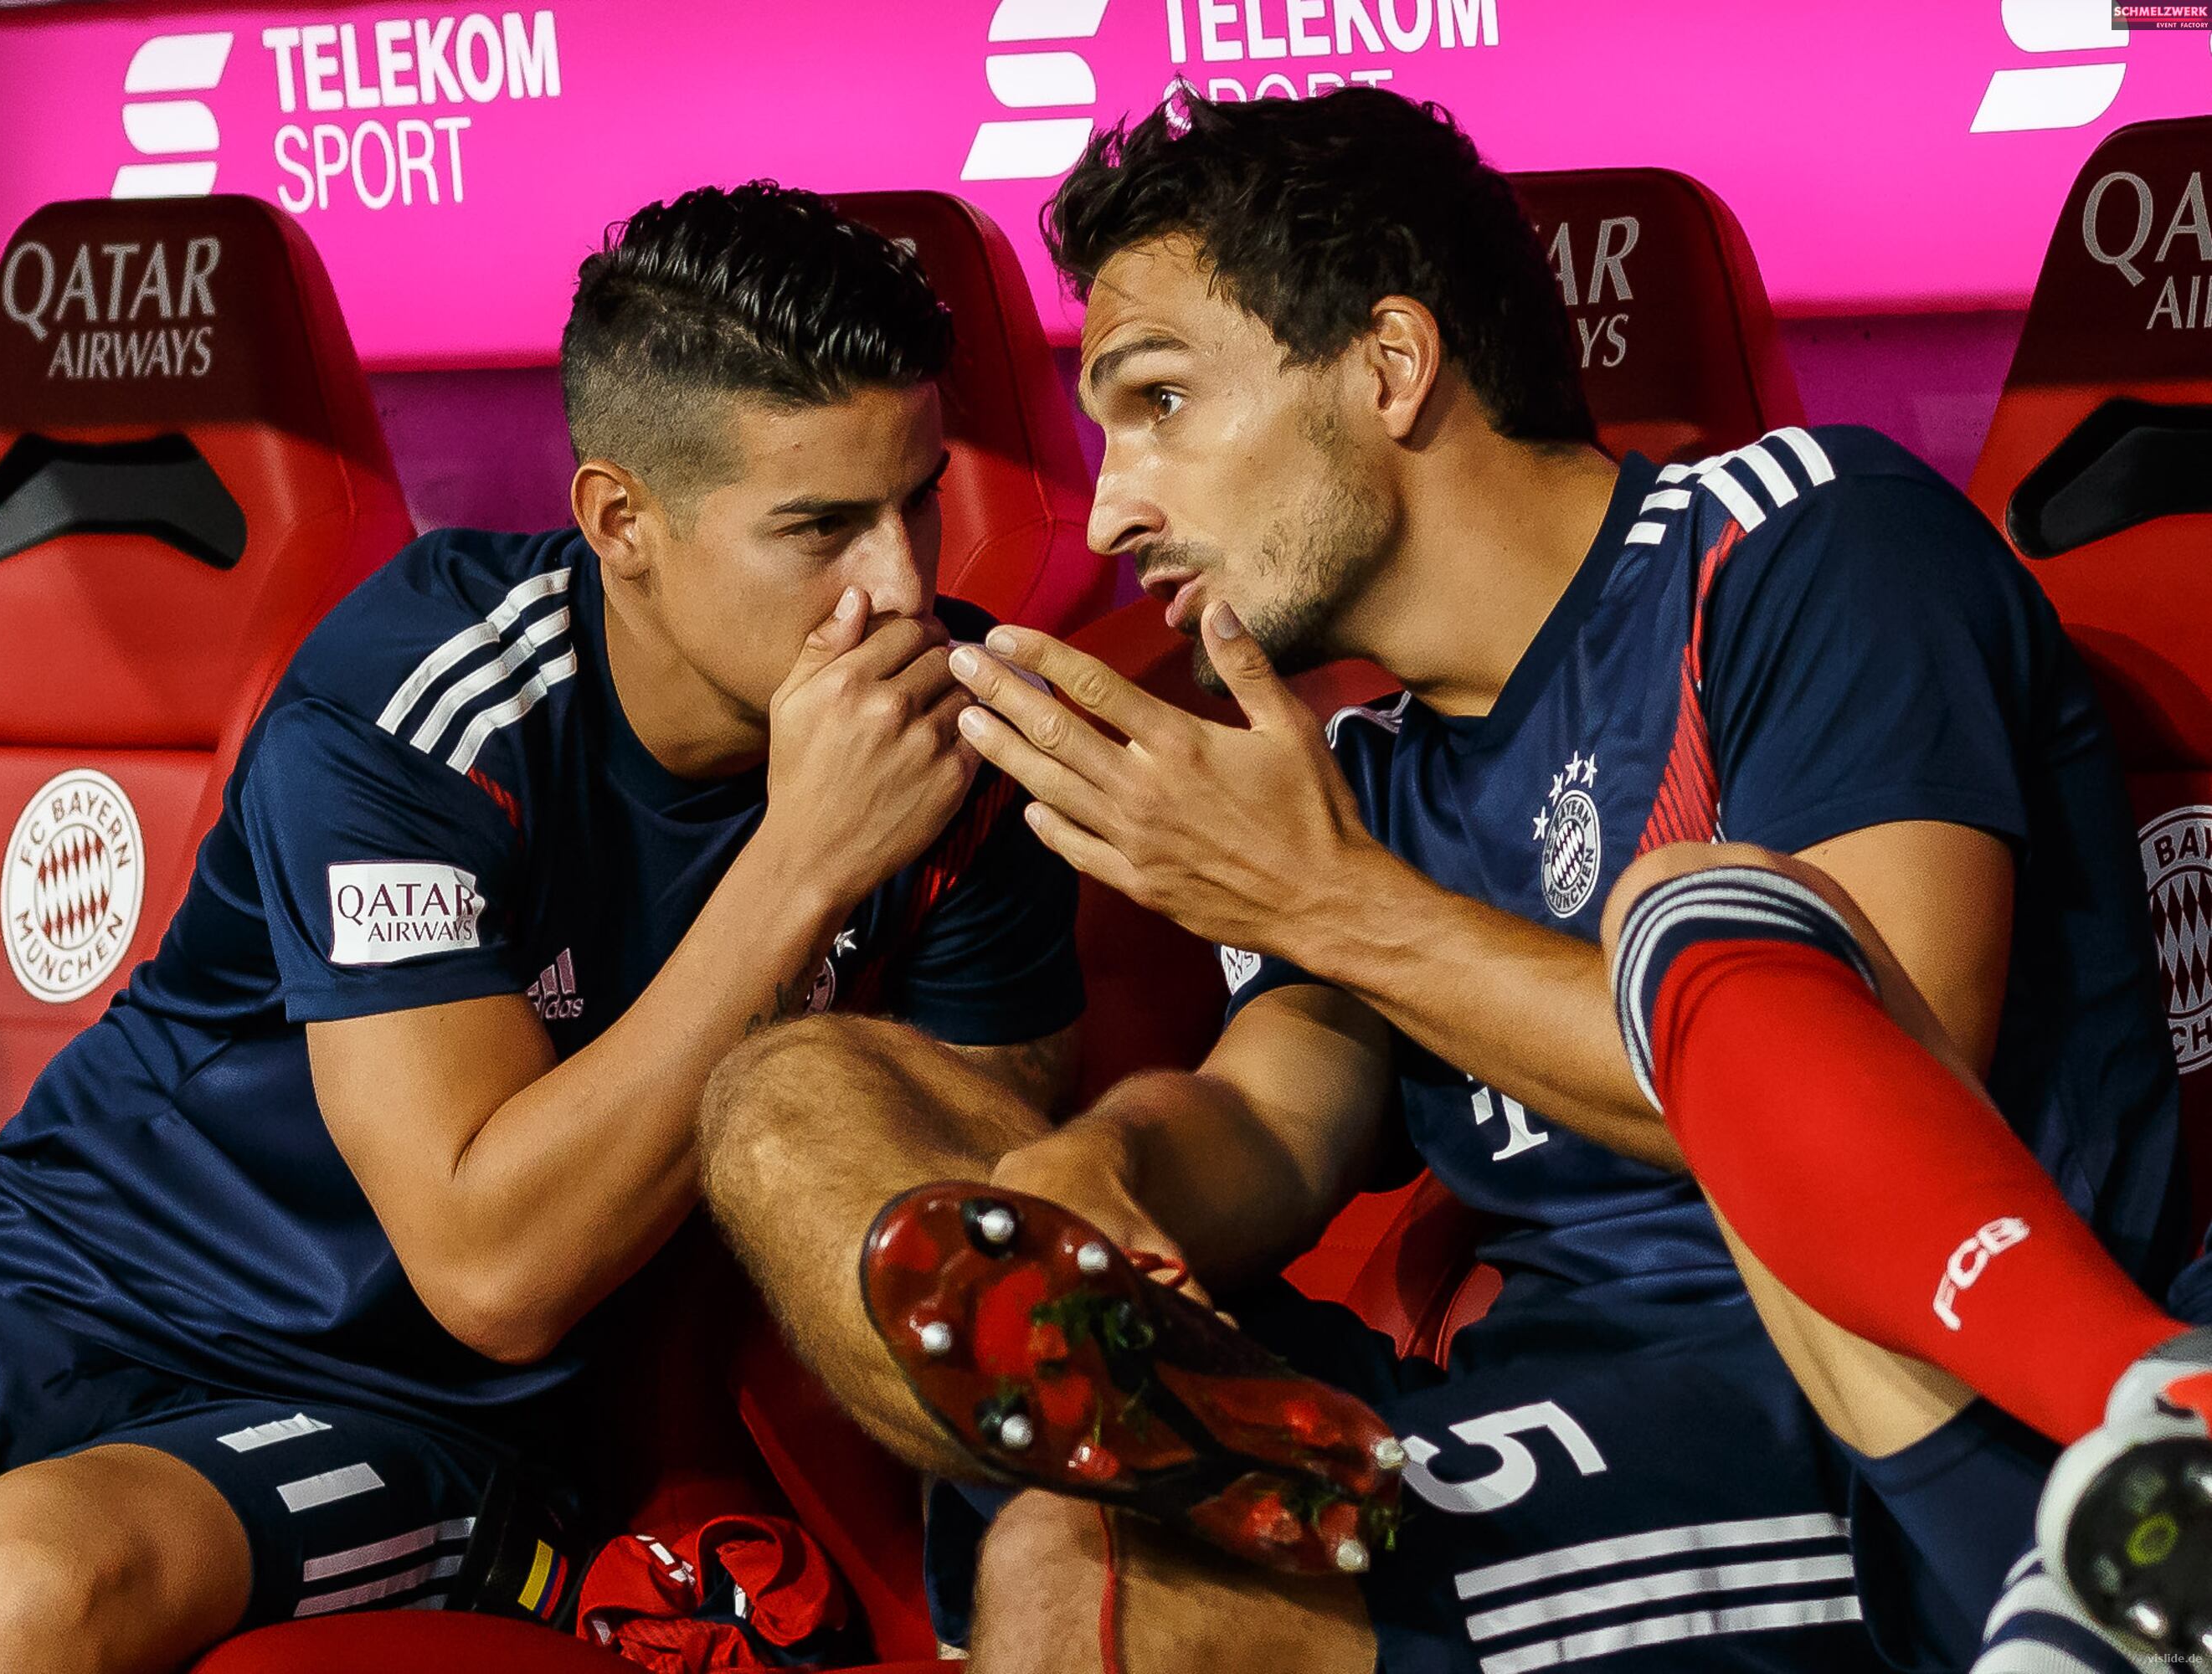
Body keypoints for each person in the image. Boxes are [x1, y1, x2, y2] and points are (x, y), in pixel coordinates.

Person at [696, 92, 2183, 1672]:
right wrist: (1093, 1190)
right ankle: (1130, 1411)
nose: (1118, 504)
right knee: (784, 1102)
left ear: (1392, 369)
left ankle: (1152, 1468)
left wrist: (1312, 898)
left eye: (1162, 402)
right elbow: (1272, 1117)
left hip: (1860, 1420)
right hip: (1526, 1395)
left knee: (1099, 1587)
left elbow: (1888, 1085)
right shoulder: (1360, 770)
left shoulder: (1803, 548)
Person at [0, 182, 1084, 1674]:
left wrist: (813, 865)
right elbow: (485, 1226)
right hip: (31, 1276)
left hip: (408, 1404)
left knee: (40, 1577)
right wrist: (802, 865)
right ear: (622, 521)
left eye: (919, 499)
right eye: (820, 527)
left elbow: (504, 1294)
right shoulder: (422, 701)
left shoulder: (966, 757)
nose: (898, 586)